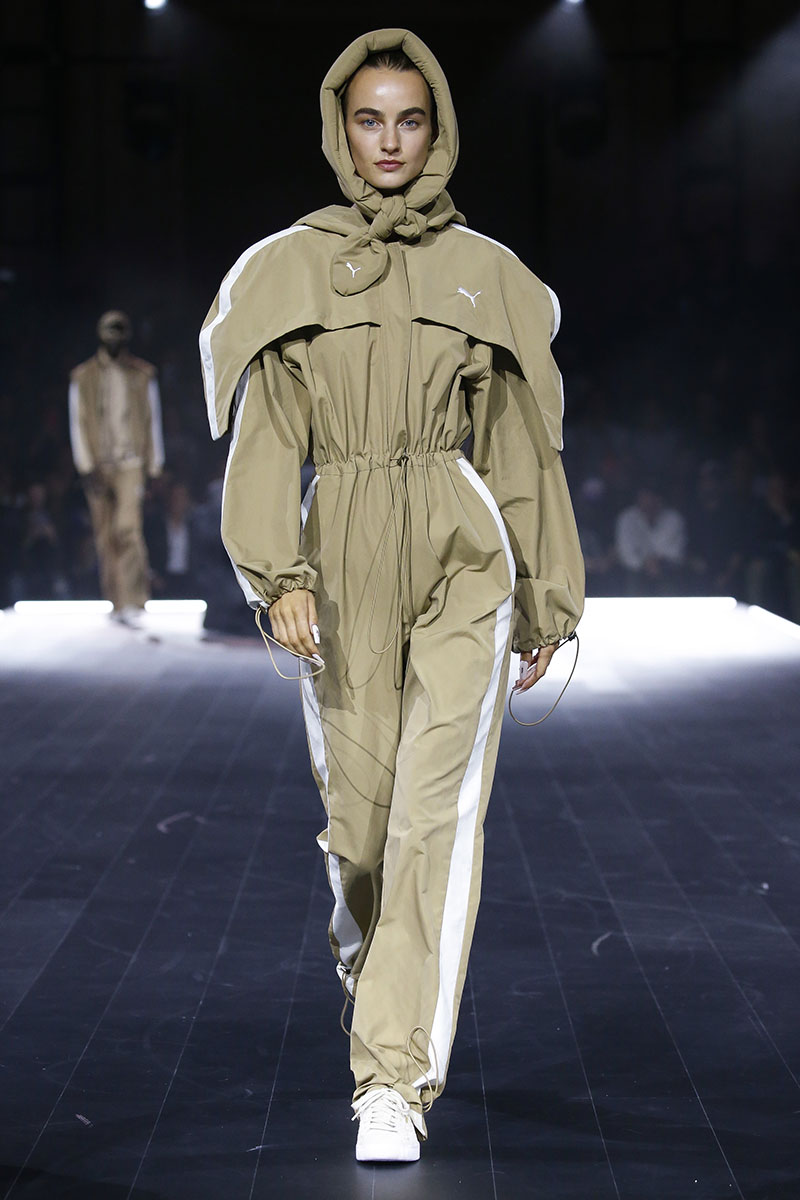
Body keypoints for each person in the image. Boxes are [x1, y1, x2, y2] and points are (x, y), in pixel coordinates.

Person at [200, 28, 584, 1163]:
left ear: (437, 130)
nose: (389, 141)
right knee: (361, 836)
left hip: (463, 545)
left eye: (409, 120)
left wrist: (547, 592)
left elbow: (520, 447)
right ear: (340, 130)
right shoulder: (285, 267)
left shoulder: (486, 272)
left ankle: (392, 1078)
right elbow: (268, 435)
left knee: (433, 816)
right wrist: (278, 573)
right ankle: (380, 987)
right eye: (369, 119)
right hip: (341, 548)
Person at [68, 310, 165, 624]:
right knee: (104, 533)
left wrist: (155, 465)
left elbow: (152, 419)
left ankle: (134, 599)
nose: (114, 335)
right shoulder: (83, 376)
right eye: (110, 329)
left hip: (130, 462)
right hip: (98, 464)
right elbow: (78, 420)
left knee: (128, 528)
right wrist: (85, 465)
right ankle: (115, 599)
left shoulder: (142, 374)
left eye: (119, 329)